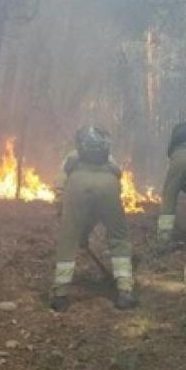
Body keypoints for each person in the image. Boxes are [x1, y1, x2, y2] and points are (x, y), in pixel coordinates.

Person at [50, 126, 135, 312]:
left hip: (77, 186)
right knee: (119, 237)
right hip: (109, 186)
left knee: (68, 238)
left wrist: (62, 212)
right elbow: (118, 180)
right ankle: (125, 290)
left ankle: (60, 294)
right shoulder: (109, 158)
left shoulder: (71, 157)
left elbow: (59, 186)